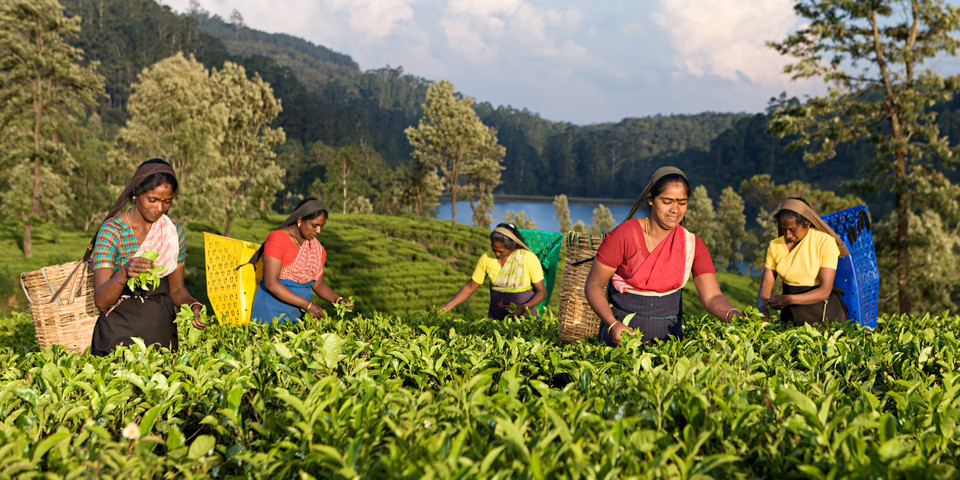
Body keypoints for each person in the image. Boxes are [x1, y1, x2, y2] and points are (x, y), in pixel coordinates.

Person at [585, 166, 743, 347]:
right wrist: (612, 324)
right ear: (651, 199)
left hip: (669, 345)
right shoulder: (624, 235)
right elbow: (594, 285)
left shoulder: (692, 244)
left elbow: (713, 296)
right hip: (621, 342)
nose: (675, 209)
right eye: (667, 201)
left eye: (682, 202)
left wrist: (736, 317)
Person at [90, 158, 205, 356]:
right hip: (118, 337)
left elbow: (177, 290)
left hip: (161, 334)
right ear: (136, 194)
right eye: (152, 200)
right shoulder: (113, 231)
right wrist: (124, 272)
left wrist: (193, 304)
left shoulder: (172, 231)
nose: (160, 208)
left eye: (166, 201)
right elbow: (101, 301)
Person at [248, 198, 350, 324]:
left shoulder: (315, 247)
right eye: (314, 225)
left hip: (298, 314)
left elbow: (317, 283)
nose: (318, 231)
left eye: (321, 226)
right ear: (300, 220)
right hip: (272, 311)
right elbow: (271, 283)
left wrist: (337, 299)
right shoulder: (277, 239)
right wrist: (307, 304)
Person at [758, 198, 849, 326]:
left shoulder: (824, 242)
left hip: (824, 318)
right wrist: (763, 309)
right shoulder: (775, 246)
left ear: (807, 222)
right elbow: (765, 288)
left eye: (792, 229)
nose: (788, 235)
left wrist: (789, 299)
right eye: (784, 229)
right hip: (791, 318)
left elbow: (824, 291)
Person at [442, 223, 547, 320]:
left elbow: (541, 292)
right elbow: (470, 287)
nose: (496, 254)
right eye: (494, 250)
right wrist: (445, 308)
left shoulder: (528, 258)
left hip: (523, 316)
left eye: (500, 251)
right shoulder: (487, 258)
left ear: (513, 245)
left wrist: (524, 307)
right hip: (496, 315)